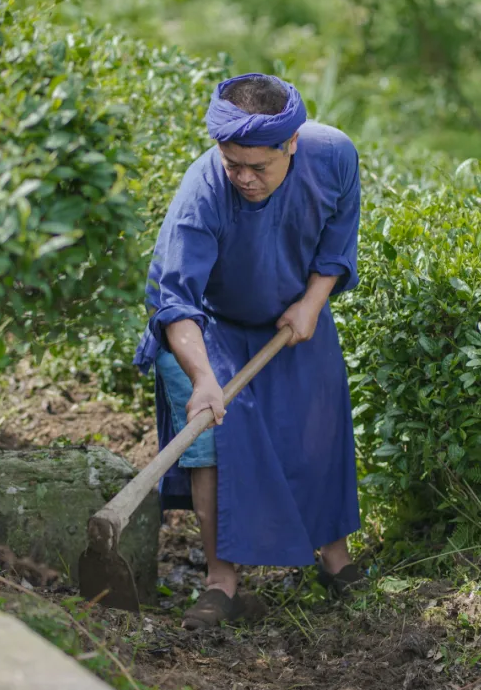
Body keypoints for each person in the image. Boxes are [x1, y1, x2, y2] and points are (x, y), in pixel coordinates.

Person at [132, 73, 364, 630]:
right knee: (214, 436)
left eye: (258, 167)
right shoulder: (203, 192)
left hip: (293, 316)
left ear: (291, 144)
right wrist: (204, 378)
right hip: (208, 325)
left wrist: (313, 301)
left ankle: (334, 561)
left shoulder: (332, 155)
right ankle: (221, 580)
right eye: (233, 163)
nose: (244, 178)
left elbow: (338, 236)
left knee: (317, 427)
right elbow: (174, 302)